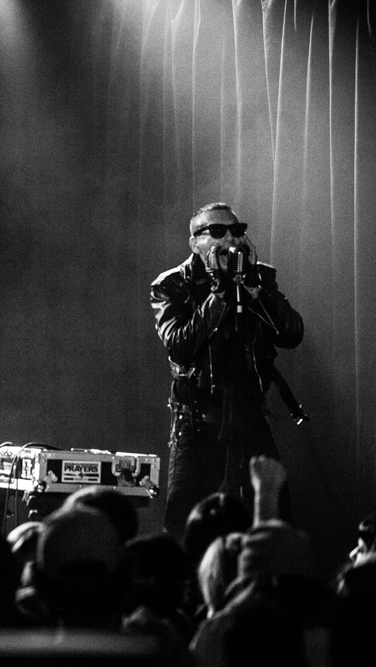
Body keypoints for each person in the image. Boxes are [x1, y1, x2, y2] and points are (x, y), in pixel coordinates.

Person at [151, 203, 303, 536]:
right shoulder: (173, 285)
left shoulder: (259, 277)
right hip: (197, 421)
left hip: (249, 415)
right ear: (195, 243)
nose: (229, 239)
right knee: (183, 522)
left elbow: (292, 333)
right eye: (216, 232)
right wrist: (219, 293)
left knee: (277, 515)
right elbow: (179, 344)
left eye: (236, 230)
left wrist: (254, 289)